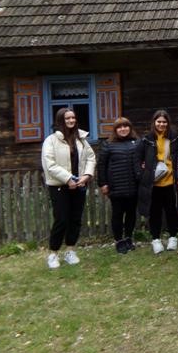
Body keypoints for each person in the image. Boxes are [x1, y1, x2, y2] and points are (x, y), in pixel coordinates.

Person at [42, 108, 96, 269]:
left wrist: (86, 176)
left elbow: (91, 158)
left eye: (73, 118)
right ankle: (53, 254)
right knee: (61, 220)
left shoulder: (81, 139)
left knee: (75, 219)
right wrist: (67, 179)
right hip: (60, 186)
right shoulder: (51, 140)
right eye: (67, 118)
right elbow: (49, 164)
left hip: (79, 185)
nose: (71, 121)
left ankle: (70, 251)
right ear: (60, 121)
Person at [137, 109, 178, 254]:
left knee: (171, 211)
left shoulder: (174, 137)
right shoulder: (146, 139)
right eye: (159, 122)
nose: (161, 124)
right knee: (154, 212)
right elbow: (138, 159)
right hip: (153, 183)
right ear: (154, 123)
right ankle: (156, 239)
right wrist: (143, 170)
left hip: (170, 181)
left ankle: (173, 237)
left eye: (164, 122)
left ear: (168, 123)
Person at [98, 117, 141, 254]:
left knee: (131, 214)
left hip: (133, 185)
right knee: (117, 214)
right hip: (116, 186)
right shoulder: (108, 144)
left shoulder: (137, 142)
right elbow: (101, 165)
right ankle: (119, 241)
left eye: (126, 126)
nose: (123, 129)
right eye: (120, 127)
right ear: (116, 130)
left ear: (130, 128)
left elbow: (142, 160)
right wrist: (103, 183)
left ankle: (128, 238)